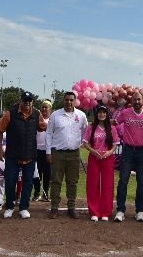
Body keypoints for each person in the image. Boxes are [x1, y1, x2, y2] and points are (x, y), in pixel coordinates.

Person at [112, 90, 143, 223]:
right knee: (123, 180)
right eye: (135, 99)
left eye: (139, 99)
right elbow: (114, 122)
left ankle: (139, 211)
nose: (137, 102)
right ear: (131, 101)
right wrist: (99, 122)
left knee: (141, 181)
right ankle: (120, 210)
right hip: (128, 151)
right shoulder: (125, 113)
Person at [0, 92, 45, 220]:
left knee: (28, 183)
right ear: (20, 101)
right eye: (25, 100)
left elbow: (43, 127)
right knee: (10, 182)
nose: (27, 102)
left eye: (29, 100)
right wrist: (0, 149)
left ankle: (23, 207)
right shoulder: (10, 114)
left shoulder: (37, 114)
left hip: (30, 155)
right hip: (12, 156)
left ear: (32, 102)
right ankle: (10, 207)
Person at [46, 92, 87, 220]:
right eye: (66, 100)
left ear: (75, 101)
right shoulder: (55, 115)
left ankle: (71, 207)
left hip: (74, 154)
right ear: (63, 101)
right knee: (56, 181)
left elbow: (85, 131)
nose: (69, 102)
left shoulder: (81, 115)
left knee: (72, 182)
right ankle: (54, 208)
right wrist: (48, 152)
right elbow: (48, 133)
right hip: (58, 153)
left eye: (71, 100)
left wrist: (79, 143)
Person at [82, 105, 117, 222]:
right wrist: (93, 151)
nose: (102, 114)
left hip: (108, 159)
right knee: (93, 184)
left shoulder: (112, 128)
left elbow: (115, 144)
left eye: (104, 112)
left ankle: (106, 212)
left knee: (107, 185)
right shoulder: (91, 127)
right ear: (96, 114)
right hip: (94, 158)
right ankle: (94, 212)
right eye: (99, 112)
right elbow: (85, 143)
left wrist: (109, 152)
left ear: (107, 114)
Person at [32, 99, 53, 204]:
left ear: (50, 109)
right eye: (43, 107)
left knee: (47, 173)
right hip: (37, 150)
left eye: (46, 107)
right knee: (37, 173)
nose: (44, 109)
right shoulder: (37, 120)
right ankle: (36, 193)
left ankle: (46, 193)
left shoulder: (52, 121)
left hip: (48, 151)